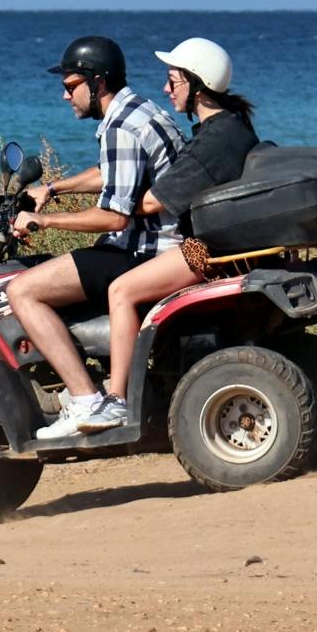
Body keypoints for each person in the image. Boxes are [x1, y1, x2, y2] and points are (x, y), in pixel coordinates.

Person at [5, 35, 186, 439]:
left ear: (97, 82)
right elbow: (115, 175)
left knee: (23, 290)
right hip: (163, 243)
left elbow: (114, 218)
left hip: (145, 251)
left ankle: (86, 399)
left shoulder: (121, 126)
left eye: (70, 87)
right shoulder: (139, 110)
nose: (65, 96)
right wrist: (52, 190)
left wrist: (44, 222)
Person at [95, 39, 259, 413]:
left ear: (197, 86)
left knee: (121, 291)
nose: (166, 89)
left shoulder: (212, 141)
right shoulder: (229, 125)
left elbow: (152, 202)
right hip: (224, 240)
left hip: (207, 250)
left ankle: (116, 400)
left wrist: (112, 203)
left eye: (173, 81)